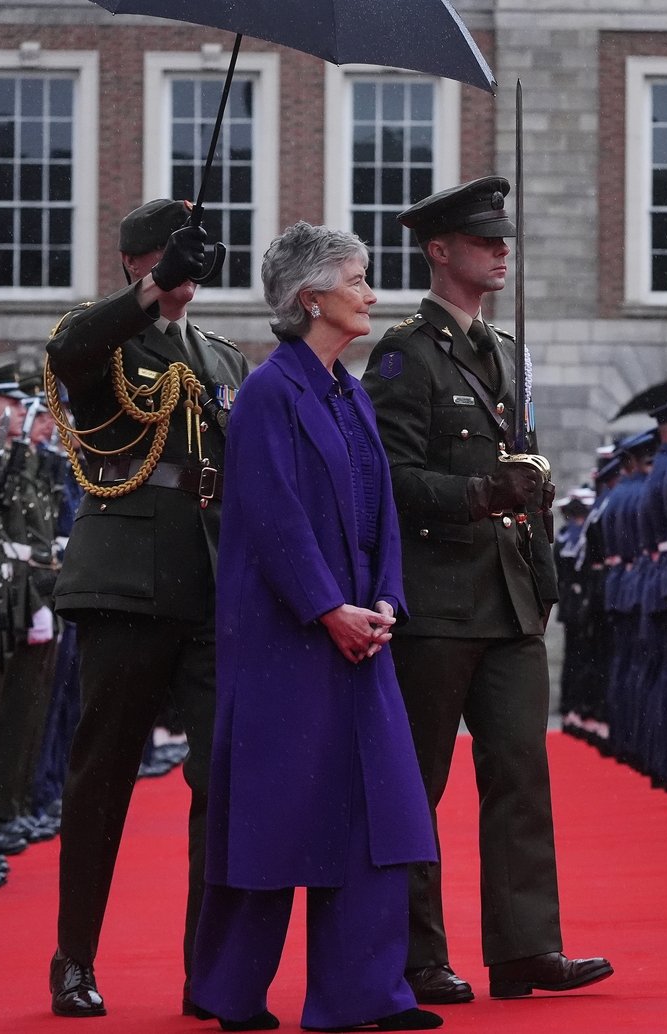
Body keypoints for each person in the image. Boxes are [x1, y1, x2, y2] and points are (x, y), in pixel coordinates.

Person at [361, 176, 612, 1004]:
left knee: (518, 771)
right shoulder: (404, 354)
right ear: (440, 251)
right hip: (438, 597)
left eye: (503, 239)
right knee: (419, 783)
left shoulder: (507, 352)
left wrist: (538, 563)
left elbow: (527, 467)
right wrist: (478, 495)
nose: (502, 250)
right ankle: (416, 954)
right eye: (484, 240)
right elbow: (387, 476)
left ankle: (525, 947)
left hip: (508, 597)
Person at [188, 222, 440, 1033]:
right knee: (272, 819)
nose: (372, 294)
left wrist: (386, 603)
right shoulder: (268, 393)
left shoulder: (350, 392)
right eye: (359, 280)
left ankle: (362, 995)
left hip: (361, 639)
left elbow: (383, 516)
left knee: (374, 816)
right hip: (286, 644)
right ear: (312, 297)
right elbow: (271, 520)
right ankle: (230, 993)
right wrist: (329, 609)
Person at [44, 198, 248, 1018]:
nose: (184, 268)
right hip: (127, 580)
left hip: (209, 582)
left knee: (218, 782)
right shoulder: (106, 336)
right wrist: (148, 293)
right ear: (137, 262)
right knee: (103, 776)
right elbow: (68, 353)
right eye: (168, 256)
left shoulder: (222, 357)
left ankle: (210, 969)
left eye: (190, 255)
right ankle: (73, 958)